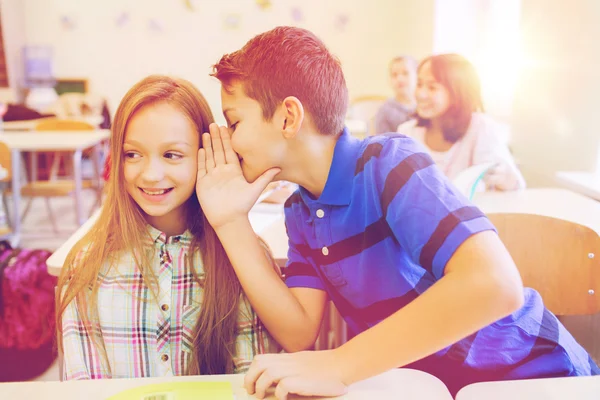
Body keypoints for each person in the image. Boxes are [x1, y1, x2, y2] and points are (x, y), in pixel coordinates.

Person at [197, 26, 598, 398]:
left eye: (233, 123)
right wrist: (231, 223)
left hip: (535, 376)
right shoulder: (300, 211)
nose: (228, 141)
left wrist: (340, 362)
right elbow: (299, 330)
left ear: (288, 117)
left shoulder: (388, 163)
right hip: (436, 387)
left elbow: (496, 284)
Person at [56, 75, 278, 380]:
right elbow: (84, 388)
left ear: (206, 154)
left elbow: (254, 382)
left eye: (172, 155)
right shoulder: (86, 268)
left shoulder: (241, 259)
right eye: (132, 154)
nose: (151, 174)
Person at [398, 54, 525, 190]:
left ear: (457, 92)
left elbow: (517, 187)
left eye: (432, 87)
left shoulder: (480, 127)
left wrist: (501, 176)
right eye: (419, 84)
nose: (421, 94)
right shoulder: (407, 132)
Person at [373, 55, 417, 134]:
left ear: (417, 76)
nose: (400, 79)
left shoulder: (423, 107)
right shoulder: (384, 111)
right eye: (394, 75)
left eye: (405, 73)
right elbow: (382, 142)